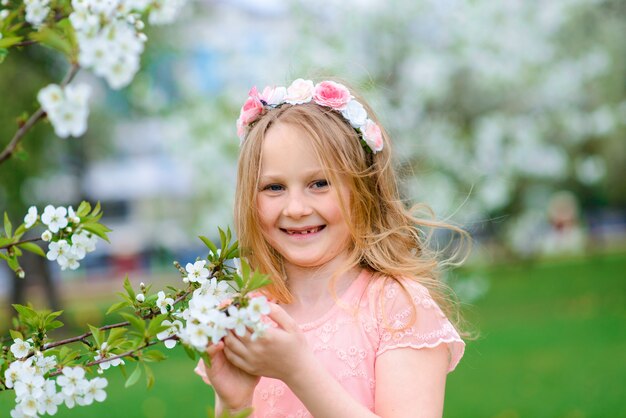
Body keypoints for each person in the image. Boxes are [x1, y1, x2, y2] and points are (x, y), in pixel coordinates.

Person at [195, 79, 468, 417]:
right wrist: (233, 404)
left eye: (319, 183)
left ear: (362, 189)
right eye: (274, 187)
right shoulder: (253, 314)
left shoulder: (397, 308)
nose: (295, 208)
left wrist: (298, 372)